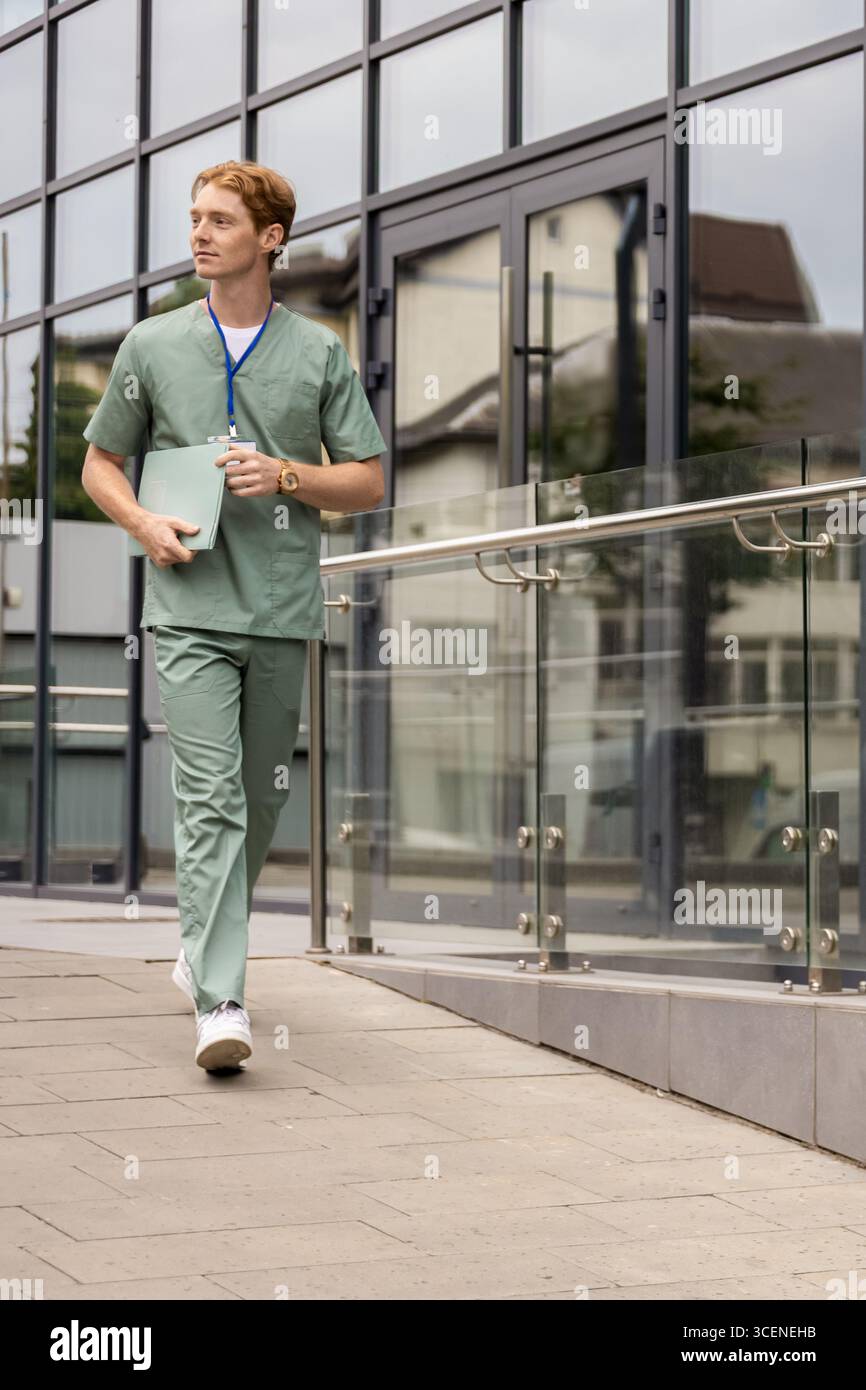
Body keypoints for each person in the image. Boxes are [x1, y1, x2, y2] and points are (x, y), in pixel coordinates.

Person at [80, 159, 386, 1071]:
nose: (200, 233)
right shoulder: (150, 346)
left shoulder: (320, 352)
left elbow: (367, 480)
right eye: (194, 218)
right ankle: (222, 999)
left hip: (282, 607)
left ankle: (197, 946)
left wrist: (287, 475)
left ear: (271, 238)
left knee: (255, 806)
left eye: (220, 220)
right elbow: (101, 465)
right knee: (210, 800)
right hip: (187, 608)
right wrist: (141, 522)